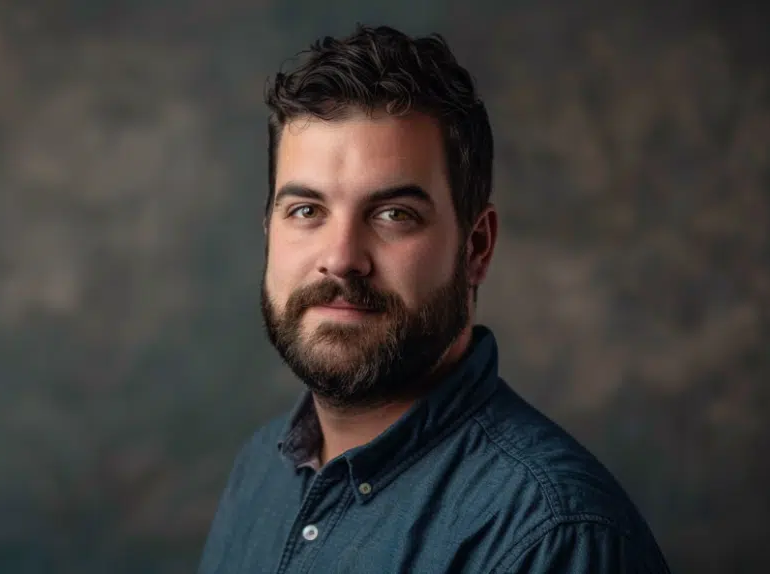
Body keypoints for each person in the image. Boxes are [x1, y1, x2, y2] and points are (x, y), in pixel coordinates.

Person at [197, 24, 670, 574]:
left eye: (394, 214)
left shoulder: (552, 536)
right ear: (269, 229)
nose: (342, 256)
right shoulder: (260, 470)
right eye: (307, 211)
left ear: (477, 247)